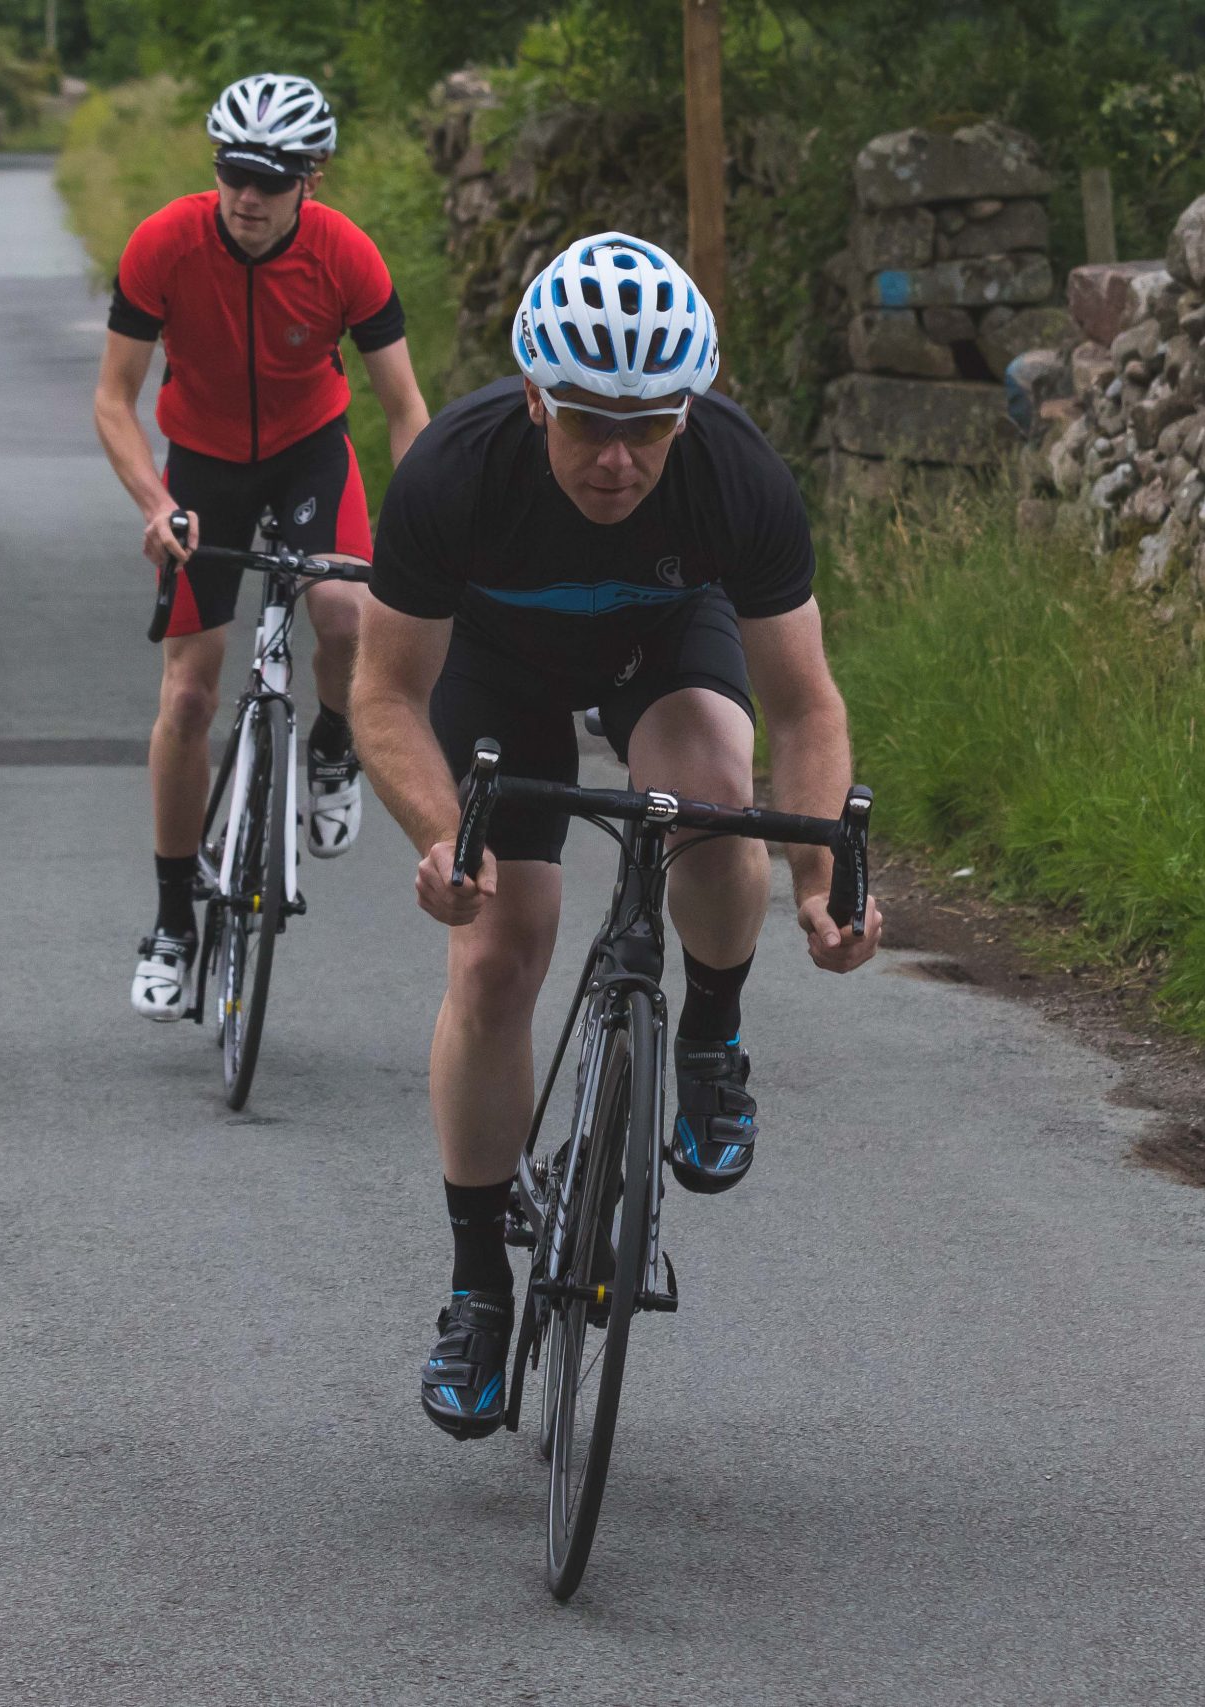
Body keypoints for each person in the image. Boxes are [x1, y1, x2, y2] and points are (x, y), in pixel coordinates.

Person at [351, 233, 885, 1439]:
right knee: (497, 954)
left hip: (660, 643)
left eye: (647, 427)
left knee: (713, 790)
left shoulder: (734, 476)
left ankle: (709, 1038)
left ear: (685, 411)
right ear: (535, 396)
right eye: (589, 421)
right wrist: (446, 842)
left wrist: (821, 883)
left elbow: (805, 707)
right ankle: (477, 1288)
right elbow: (382, 695)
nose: (616, 457)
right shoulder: (454, 472)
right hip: (498, 668)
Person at [91, 71, 431, 1021]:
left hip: (309, 451)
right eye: (233, 173)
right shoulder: (164, 243)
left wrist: (420, 524)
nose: (247, 196)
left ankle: (333, 744)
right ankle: (172, 919)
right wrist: (157, 504)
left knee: (346, 613)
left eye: (271, 180)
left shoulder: (345, 254)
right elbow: (113, 398)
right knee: (189, 696)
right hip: (200, 468)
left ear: (310, 180)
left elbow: (405, 408)